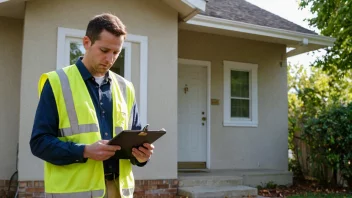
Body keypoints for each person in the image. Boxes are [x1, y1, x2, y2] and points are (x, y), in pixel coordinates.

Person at [30, 13, 154, 198]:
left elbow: (133, 140)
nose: (110, 59)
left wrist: (141, 156)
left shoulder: (126, 88)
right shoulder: (56, 82)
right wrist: (85, 151)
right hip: (74, 193)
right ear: (86, 42)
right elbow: (39, 143)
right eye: (104, 50)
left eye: (116, 52)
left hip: (118, 191)